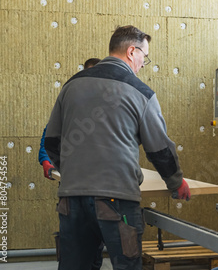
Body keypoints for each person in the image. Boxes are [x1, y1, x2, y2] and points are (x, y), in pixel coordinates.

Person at [45, 25, 191, 270]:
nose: (144, 64)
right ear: (132, 51)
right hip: (117, 199)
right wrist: (176, 182)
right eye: (145, 56)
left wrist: (73, 173)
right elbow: (159, 150)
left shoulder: (71, 85)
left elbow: (52, 142)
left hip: (72, 199)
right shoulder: (141, 92)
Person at [39, 58, 105, 270]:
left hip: (99, 187)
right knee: (72, 242)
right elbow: (49, 137)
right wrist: (46, 161)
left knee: (96, 242)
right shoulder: (70, 103)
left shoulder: (106, 108)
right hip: (72, 187)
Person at [39, 58, 101, 180]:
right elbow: (51, 132)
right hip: (71, 173)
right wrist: (46, 160)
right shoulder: (71, 98)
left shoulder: (108, 103)